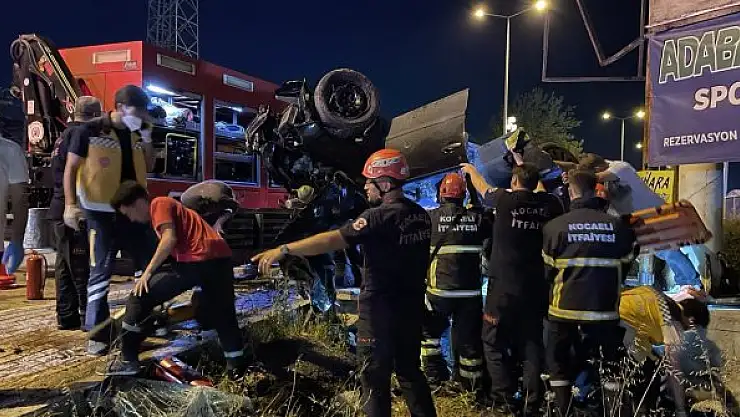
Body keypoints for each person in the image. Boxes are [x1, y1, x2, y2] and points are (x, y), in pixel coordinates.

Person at [251, 149, 437, 417]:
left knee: (373, 379)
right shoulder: (420, 215)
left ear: (385, 184)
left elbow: (332, 239)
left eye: (370, 182)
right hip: (410, 309)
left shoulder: (376, 217)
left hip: (379, 313)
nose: (365, 187)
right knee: (409, 371)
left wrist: (286, 249)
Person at [105, 181, 246, 376]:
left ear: (137, 203)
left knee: (139, 297)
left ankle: (128, 360)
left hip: (198, 259)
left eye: (129, 213)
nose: (132, 219)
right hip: (220, 259)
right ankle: (237, 368)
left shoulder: (159, 204)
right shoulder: (175, 209)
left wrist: (147, 273)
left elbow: (169, 239)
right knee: (224, 315)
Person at [461, 158, 563, 416]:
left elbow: (483, 189)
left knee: (492, 341)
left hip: (503, 289)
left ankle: (503, 400)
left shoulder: (505, 201)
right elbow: (539, 190)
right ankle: (532, 403)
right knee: (531, 344)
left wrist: (471, 170)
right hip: (535, 289)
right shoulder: (549, 204)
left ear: (514, 181)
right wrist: (523, 163)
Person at [63, 84, 156, 355]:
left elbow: (150, 165)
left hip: (133, 213)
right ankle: (98, 335)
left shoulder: (138, 134)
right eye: (138, 112)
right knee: (100, 273)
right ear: (120, 108)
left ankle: (141, 324)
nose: (142, 117)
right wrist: (70, 205)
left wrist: (147, 140)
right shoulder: (88, 131)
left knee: (147, 268)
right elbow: (71, 168)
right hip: (99, 213)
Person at [542, 169, 638, 415]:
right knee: (609, 364)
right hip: (604, 312)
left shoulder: (555, 227)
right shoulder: (618, 227)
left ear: (571, 192)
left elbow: (547, 271)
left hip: (563, 311)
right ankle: (610, 409)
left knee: (558, 363)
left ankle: (564, 410)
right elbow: (626, 262)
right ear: (595, 191)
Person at [577, 153, 702, 291]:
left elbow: (593, 178)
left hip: (655, 215)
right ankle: (686, 281)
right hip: (641, 220)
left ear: (598, 169)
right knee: (663, 252)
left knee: (669, 251)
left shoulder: (620, 168)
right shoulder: (606, 173)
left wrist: (575, 176)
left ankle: (691, 282)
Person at [422, 172, 491, 392]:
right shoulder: (478, 219)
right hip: (470, 294)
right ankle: (471, 388)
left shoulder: (430, 219)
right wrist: (474, 195)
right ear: (463, 195)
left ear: (441, 194)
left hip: (439, 292)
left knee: (429, 337)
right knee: (469, 342)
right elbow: (485, 217)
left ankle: (435, 379)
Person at [49, 96, 99, 330]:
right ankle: (88, 318)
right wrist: (73, 205)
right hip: (73, 209)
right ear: (95, 115)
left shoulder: (64, 135)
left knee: (65, 267)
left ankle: (66, 316)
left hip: (59, 206)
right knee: (80, 267)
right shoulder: (81, 134)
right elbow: (74, 170)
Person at [0, 134, 29, 275]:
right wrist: (17, 240)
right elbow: (20, 201)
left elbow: (20, 200)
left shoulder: (10, 150)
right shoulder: (10, 150)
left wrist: (17, 240)